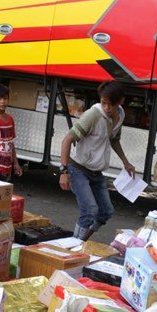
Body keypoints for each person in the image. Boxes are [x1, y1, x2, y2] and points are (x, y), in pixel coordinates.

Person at [59, 80, 135, 241]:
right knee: (89, 211)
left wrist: (126, 162)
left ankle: (81, 241)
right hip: (78, 169)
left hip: (96, 172)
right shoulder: (93, 115)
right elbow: (67, 140)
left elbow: (114, 139)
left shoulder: (120, 115)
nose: (107, 108)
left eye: (111, 105)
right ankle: (73, 248)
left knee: (106, 211)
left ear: (120, 101)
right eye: (104, 103)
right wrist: (63, 171)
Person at [0, 83, 23, 181]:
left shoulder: (10, 119)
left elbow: (11, 143)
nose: (3, 102)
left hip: (6, 167)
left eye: (5, 98)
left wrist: (15, 163)